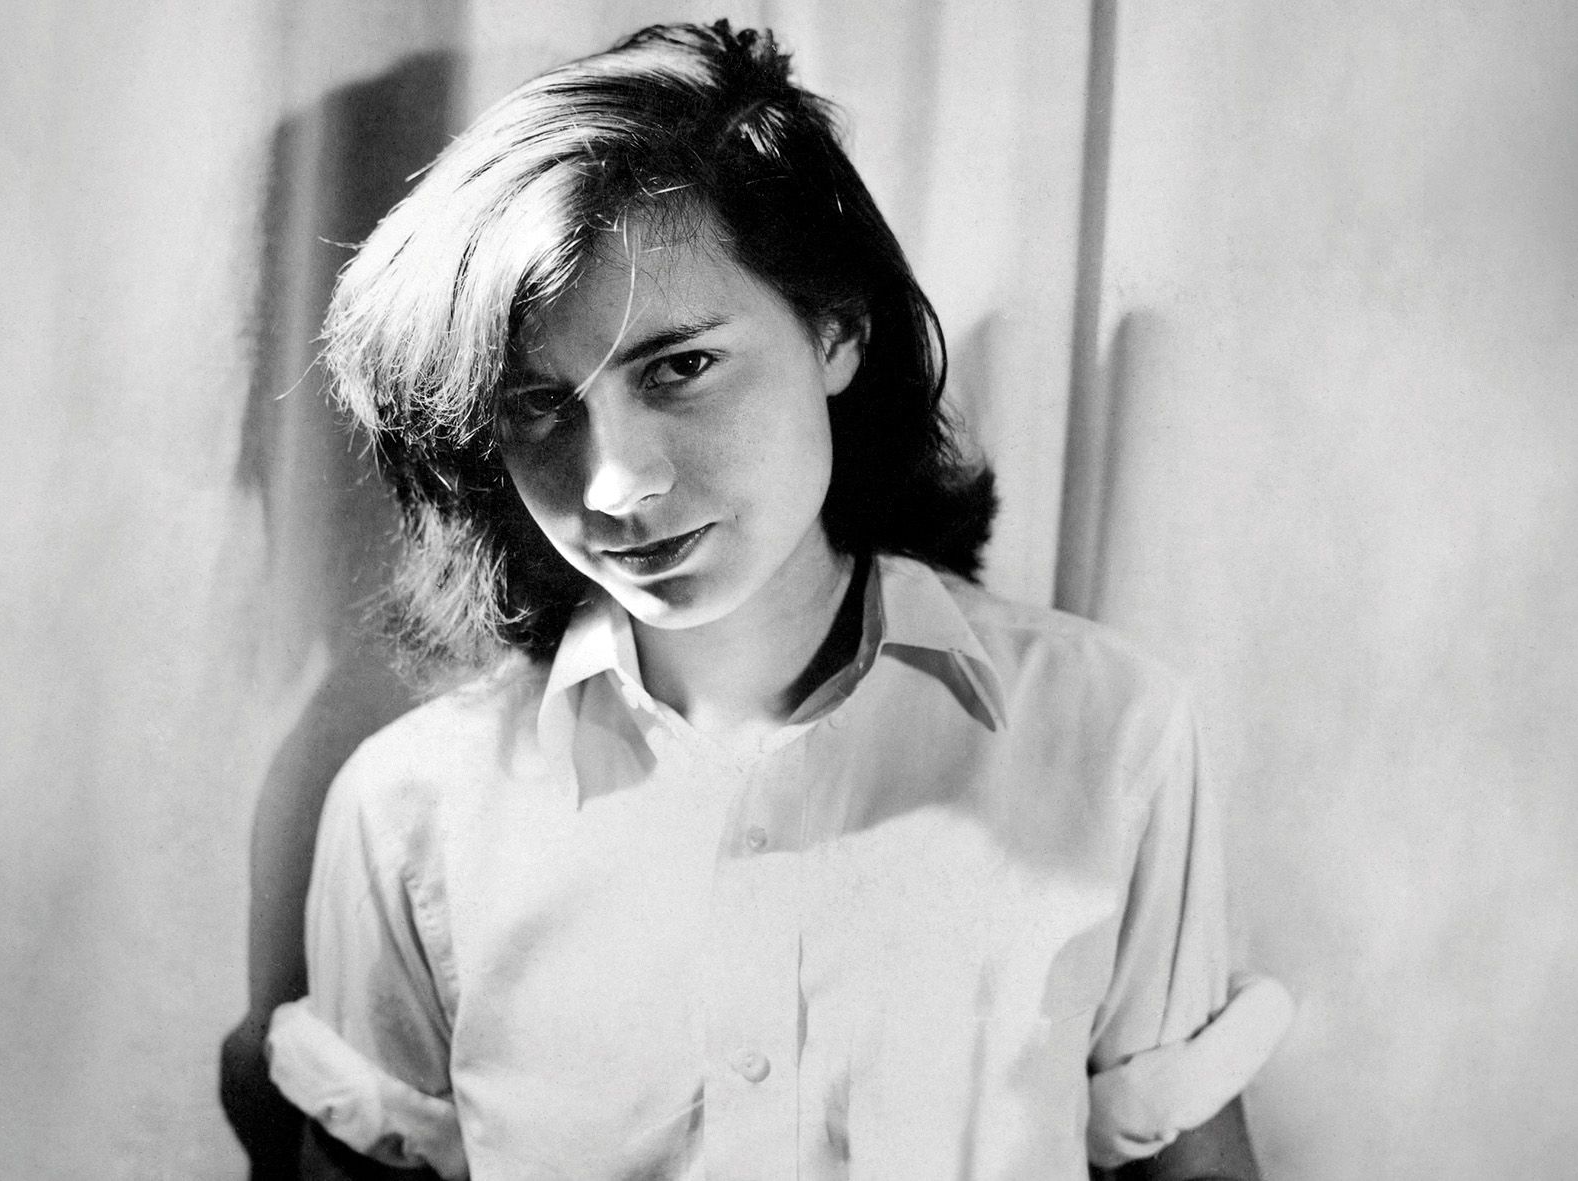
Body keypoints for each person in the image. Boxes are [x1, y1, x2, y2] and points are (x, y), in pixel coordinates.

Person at [264, 21, 1290, 1180]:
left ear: (835, 329)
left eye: (679, 367)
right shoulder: (412, 809)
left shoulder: (1106, 729)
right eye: (539, 406)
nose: (616, 484)